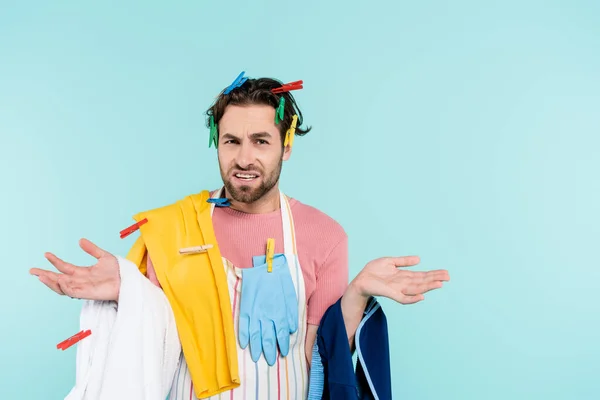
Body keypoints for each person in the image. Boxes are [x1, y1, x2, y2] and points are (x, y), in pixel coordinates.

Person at [30, 75, 450, 399]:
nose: (243, 158)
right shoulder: (172, 227)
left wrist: (356, 293)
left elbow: (318, 365)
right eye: (231, 141)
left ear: (286, 146)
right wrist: (129, 291)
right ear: (217, 142)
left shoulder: (324, 236)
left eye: (260, 141)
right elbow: (147, 351)